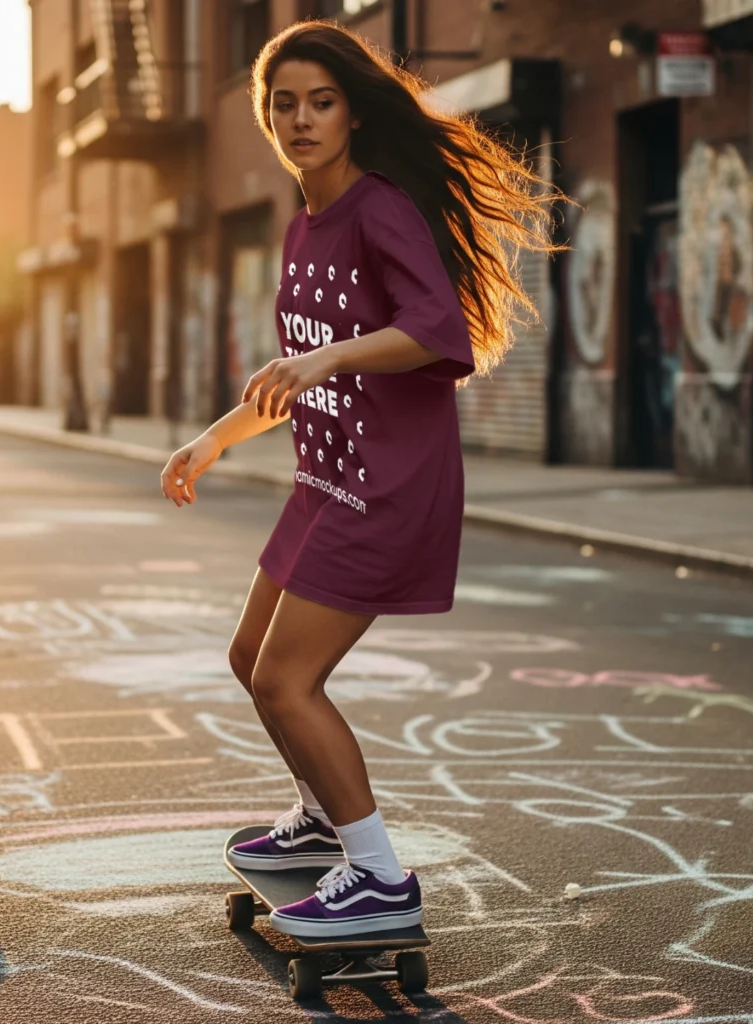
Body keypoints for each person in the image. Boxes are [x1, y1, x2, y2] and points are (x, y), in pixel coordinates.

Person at [160, 19, 557, 939]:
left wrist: (332, 357)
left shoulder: (380, 208)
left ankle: (378, 875)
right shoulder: (305, 224)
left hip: (386, 487)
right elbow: (303, 368)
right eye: (283, 104)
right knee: (248, 662)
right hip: (326, 477)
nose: (301, 118)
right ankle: (317, 822)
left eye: (321, 102)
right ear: (266, 119)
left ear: (351, 113)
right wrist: (215, 437)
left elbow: (438, 334)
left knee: (289, 680)